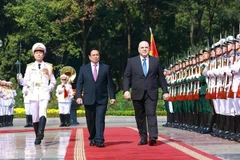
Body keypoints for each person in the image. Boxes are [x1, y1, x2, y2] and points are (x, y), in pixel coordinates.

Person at [123, 41, 169, 146]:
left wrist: (165, 91)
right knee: (140, 116)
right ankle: (143, 137)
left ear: (149, 49)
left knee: (151, 113)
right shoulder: (132, 61)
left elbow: (161, 78)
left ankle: (153, 137)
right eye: (142, 47)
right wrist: (126, 90)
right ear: (139, 49)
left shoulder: (155, 61)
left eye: (146, 47)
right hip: (137, 92)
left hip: (151, 92)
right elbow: (127, 77)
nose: (144, 49)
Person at [76, 49, 116, 148]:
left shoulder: (105, 68)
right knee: (90, 120)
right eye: (93, 55)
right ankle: (93, 137)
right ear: (89, 57)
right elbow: (79, 83)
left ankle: (99, 139)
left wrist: (112, 96)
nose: (95, 57)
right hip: (88, 98)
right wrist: (78, 97)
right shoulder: (83, 68)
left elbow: (110, 83)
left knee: (100, 119)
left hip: (102, 98)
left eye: (97, 55)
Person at [19, 42, 56, 145]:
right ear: (34, 55)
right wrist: (20, 80)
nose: (39, 54)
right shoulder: (29, 66)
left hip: (44, 91)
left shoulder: (48, 66)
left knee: (42, 112)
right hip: (33, 92)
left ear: (43, 54)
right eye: (37, 53)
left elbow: (53, 81)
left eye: (41, 52)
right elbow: (26, 81)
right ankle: (37, 136)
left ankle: (41, 132)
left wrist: (49, 88)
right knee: (35, 116)